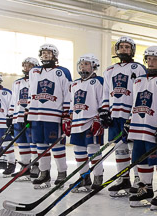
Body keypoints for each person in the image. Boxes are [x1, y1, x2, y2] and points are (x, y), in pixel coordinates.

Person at [126, 46, 157, 209]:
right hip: (139, 126)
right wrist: (130, 119)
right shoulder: (138, 80)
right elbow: (135, 102)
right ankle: (145, 188)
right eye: (149, 59)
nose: (151, 61)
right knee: (140, 158)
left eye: (155, 59)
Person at [100, 36, 146, 196]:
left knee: (134, 149)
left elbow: (142, 92)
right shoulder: (109, 70)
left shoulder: (139, 68)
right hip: (115, 116)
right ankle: (123, 179)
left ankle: (139, 179)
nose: (124, 49)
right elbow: (105, 92)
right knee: (120, 149)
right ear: (117, 49)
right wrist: (104, 110)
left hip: (131, 115)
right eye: (121, 47)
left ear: (132, 50)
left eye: (127, 47)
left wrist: (136, 114)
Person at [28, 43, 72, 189]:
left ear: (55, 55)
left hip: (54, 116)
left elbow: (68, 93)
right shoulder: (34, 71)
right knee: (40, 146)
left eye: (48, 53)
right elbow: (30, 92)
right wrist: (27, 111)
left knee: (57, 145)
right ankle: (44, 173)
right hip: (36, 115)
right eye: (43, 53)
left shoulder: (62, 71)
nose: (45, 55)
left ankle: (62, 173)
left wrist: (66, 114)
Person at [67, 54, 105, 193]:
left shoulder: (99, 81)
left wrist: (99, 119)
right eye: (81, 64)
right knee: (78, 150)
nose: (83, 66)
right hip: (77, 122)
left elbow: (103, 101)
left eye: (86, 64)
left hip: (91, 121)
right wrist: (68, 118)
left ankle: (98, 177)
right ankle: (83, 178)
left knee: (93, 150)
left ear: (94, 66)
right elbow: (72, 103)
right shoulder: (75, 83)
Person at [8, 57, 39, 180]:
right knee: (22, 143)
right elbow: (13, 99)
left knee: (33, 143)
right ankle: (25, 167)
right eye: (25, 65)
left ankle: (36, 166)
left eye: (29, 65)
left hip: (30, 116)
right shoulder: (17, 82)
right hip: (18, 117)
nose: (26, 68)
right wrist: (10, 116)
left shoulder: (37, 80)